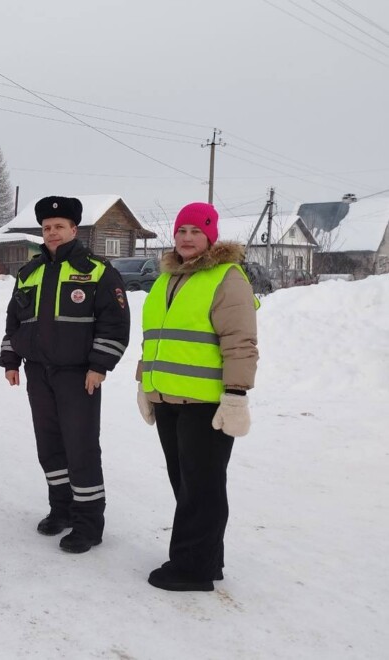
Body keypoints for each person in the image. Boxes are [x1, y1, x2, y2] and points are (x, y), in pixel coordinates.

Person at [137, 201, 259, 592]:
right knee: (186, 485)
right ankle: (208, 558)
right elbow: (156, 340)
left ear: (211, 236)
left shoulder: (227, 277)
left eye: (195, 231)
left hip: (207, 404)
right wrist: (145, 384)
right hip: (169, 400)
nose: (187, 238)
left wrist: (236, 396)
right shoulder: (166, 279)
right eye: (181, 231)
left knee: (202, 488)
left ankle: (192, 569)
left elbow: (240, 343)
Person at [0, 196, 130, 553]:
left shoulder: (98, 270)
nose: (52, 232)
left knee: (81, 448)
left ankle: (89, 524)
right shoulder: (30, 273)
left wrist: (99, 366)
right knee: (50, 447)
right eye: (46, 227)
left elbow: (115, 324)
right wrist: (11, 361)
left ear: (74, 229)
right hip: (38, 374)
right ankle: (62, 510)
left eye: (59, 226)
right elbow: (14, 321)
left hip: (78, 376)